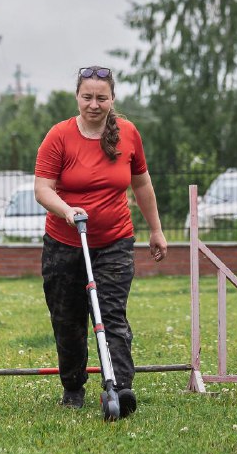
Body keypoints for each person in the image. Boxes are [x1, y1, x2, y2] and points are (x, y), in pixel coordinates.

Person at [34, 65, 167, 417]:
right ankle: (73, 387)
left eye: (101, 97)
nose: (94, 104)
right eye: (87, 97)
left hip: (114, 241)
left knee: (111, 315)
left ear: (112, 99)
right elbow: (42, 188)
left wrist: (156, 229)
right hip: (64, 242)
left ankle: (121, 387)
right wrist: (65, 209)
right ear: (77, 97)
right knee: (68, 319)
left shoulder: (128, 133)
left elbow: (141, 185)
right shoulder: (59, 136)